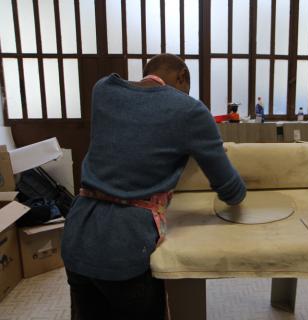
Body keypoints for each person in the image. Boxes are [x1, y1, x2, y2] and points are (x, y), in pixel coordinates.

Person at [61, 53, 247, 320]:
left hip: (77, 235)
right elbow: (231, 190)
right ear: (182, 76)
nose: (186, 94)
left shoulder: (103, 90)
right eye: (187, 88)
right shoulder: (190, 111)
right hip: (126, 246)